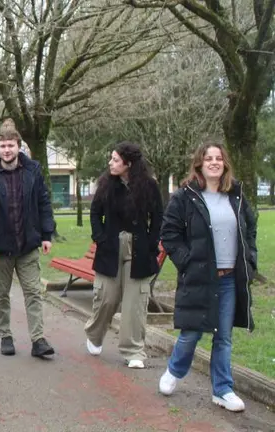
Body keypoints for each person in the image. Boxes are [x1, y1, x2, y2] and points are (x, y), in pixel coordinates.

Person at [158, 142, 256, 412]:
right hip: (200, 277)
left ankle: (222, 389)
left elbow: (249, 229)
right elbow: (169, 234)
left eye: (219, 158)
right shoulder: (185, 196)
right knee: (192, 333)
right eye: (208, 158)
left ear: (225, 164)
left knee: (223, 336)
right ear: (199, 164)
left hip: (228, 280)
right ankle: (174, 371)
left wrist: (250, 260)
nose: (214, 162)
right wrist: (187, 262)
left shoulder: (236, 195)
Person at [0, 126, 56, 358]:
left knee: (33, 292)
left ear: (19, 147)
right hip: (0, 249)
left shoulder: (33, 170)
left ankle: (38, 340)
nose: (7, 150)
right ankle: (5, 336)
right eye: (2, 146)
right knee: (2, 294)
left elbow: (43, 203)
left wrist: (46, 234)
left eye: (11, 146)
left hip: (28, 245)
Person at [85, 142, 163, 369]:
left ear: (128, 164)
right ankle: (94, 334)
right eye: (111, 159)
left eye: (115, 160)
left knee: (134, 302)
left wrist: (151, 242)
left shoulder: (149, 186)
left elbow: (158, 217)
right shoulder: (106, 185)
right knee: (107, 298)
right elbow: (95, 213)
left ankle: (133, 350)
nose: (111, 163)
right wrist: (99, 237)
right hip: (110, 247)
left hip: (139, 250)